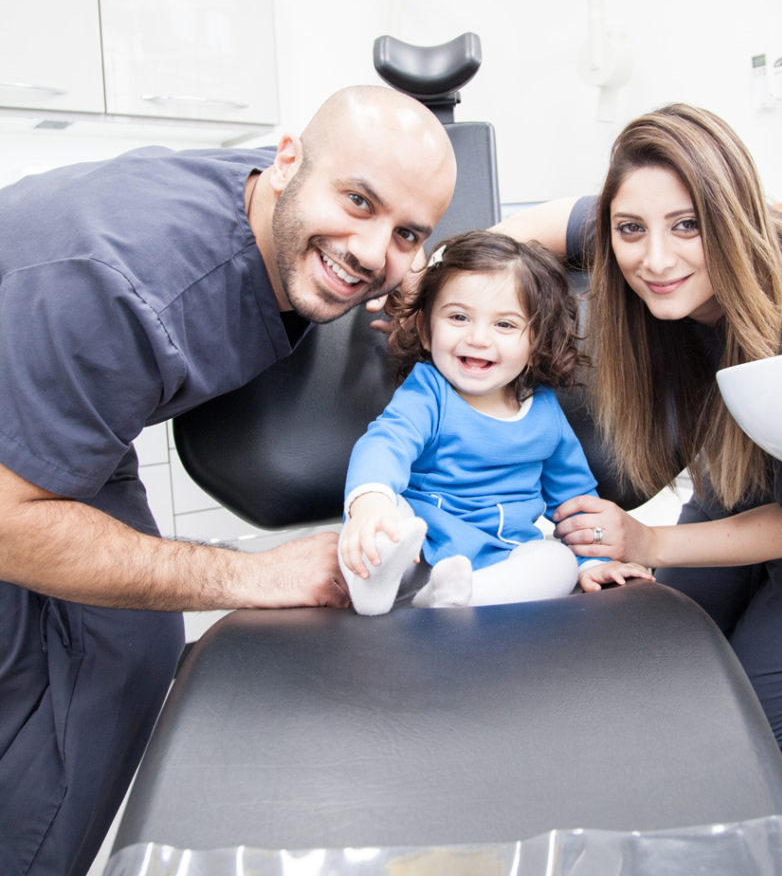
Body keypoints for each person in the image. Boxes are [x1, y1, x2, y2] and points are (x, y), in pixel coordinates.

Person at [0, 85, 457, 876]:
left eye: (406, 232)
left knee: (129, 644)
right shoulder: (125, 292)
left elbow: (363, 239)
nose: (370, 249)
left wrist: (412, 273)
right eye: (358, 202)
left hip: (54, 395)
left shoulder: (280, 200)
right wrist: (251, 576)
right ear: (287, 164)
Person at [496, 103, 782, 762]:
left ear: (726, 214)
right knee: (654, 677)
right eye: (630, 229)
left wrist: (650, 541)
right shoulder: (647, 232)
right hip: (737, 494)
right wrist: (448, 273)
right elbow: (540, 223)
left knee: (723, 747)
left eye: (686, 226)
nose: (655, 259)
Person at [337, 230, 653, 615]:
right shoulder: (429, 393)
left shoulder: (546, 415)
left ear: (536, 343)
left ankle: (461, 596)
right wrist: (370, 506)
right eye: (458, 317)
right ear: (424, 329)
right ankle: (376, 584)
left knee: (557, 563)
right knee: (388, 520)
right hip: (418, 549)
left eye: (504, 325)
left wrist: (594, 562)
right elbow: (385, 444)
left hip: (501, 560)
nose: (478, 338)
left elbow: (575, 501)